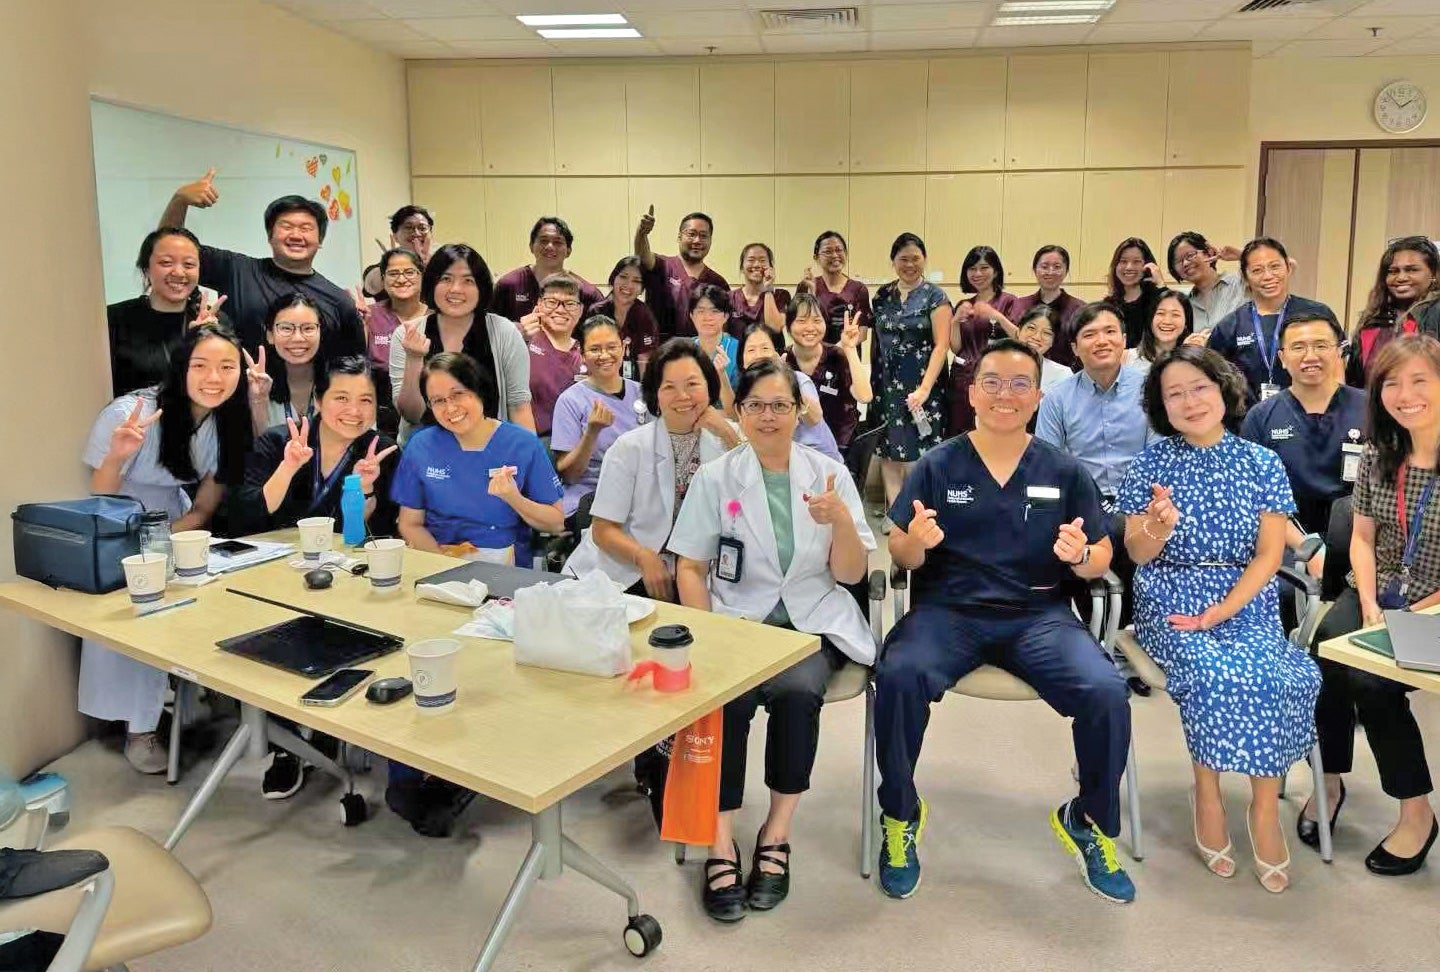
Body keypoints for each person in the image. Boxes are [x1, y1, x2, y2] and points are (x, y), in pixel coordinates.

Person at [874, 338, 1133, 904]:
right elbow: (900, 551)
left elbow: (1100, 560)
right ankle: (899, 815)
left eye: (1020, 384)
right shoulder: (938, 464)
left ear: (1038, 396)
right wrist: (915, 545)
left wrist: (1079, 558)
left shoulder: (1064, 471)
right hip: (949, 612)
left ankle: (1088, 818)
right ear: (972, 393)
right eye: (992, 382)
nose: (1005, 395)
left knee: (1106, 691)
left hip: (1038, 615)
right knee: (897, 677)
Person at [669, 358, 875, 921]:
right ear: (739, 412)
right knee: (725, 700)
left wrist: (838, 522)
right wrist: (708, 635)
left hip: (810, 622)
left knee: (798, 692)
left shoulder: (829, 473)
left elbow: (854, 575)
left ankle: (776, 833)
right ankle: (718, 839)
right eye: (755, 405)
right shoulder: (718, 478)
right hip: (737, 622)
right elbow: (690, 566)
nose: (767, 416)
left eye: (779, 405)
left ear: (798, 411)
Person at [1118, 345, 1320, 894]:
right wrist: (1158, 527)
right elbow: (1137, 554)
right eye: (1174, 393)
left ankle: (1262, 805)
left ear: (1223, 390)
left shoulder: (1261, 462)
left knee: (1277, 675)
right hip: (1171, 595)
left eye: (1200, 387)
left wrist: (1225, 611)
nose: (1190, 401)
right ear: (1161, 406)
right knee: (1211, 673)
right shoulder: (1150, 465)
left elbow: (1269, 556)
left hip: (1245, 596)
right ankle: (1206, 790)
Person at [79, 323, 250, 774]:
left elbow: (205, 506)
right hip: (116, 518)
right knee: (139, 612)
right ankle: (140, 729)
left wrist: (170, 535)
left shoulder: (229, 420)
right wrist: (118, 455)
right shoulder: (133, 412)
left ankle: (200, 697)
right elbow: (101, 493)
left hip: (174, 522)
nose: (214, 377)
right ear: (181, 368)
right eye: (201, 366)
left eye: (227, 367)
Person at [232, 355, 400, 798]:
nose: (354, 410)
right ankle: (286, 745)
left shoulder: (378, 449)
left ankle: (323, 727)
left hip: (347, 579)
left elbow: (368, 532)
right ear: (319, 401)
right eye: (341, 397)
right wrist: (289, 466)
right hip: (275, 576)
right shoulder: (277, 442)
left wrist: (365, 488)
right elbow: (251, 514)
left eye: (366, 400)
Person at [1306, 335, 1440, 877]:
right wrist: (1368, 604)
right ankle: (1329, 779)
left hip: (1433, 606)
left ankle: (1416, 810)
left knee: (1374, 682)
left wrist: (1416, 610)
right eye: (1391, 383)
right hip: (1379, 592)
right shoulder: (1382, 457)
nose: (1404, 395)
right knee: (1324, 653)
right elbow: (1361, 539)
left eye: (1420, 382)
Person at [563, 339, 741, 598]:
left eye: (692, 384)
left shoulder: (730, 438)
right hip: (626, 571)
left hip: (705, 570)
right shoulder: (630, 447)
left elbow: (754, 491)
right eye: (669, 387)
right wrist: (643, 556)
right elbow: (603, 530)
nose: (683, 396)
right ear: (655, 394)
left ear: (709, 386)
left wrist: (726, 431)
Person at [1036, 302, 1154, 634]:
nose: (1101, 341)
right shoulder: (1057, 398)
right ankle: (1098, 637)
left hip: (1139, 502)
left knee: (1130, 531)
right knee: (1073, 534)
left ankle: (1134, 637)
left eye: (1109, 332)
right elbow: (1048, 464)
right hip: (1082, 502)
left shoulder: (1150, 388)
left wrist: (1134, 506)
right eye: (1089, 335)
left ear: (1124, 339)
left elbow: (1158, 457)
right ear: (1074, 348)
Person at [160, 169, 363, 354]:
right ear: (269, 235)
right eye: (286, 226)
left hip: (308, 393)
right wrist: (180, 200)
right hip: (236, 391)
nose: (295, 235)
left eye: (306, 228)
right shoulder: (237, 270)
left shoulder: (339, 301)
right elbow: (167, 251)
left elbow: (354, 366)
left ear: (320, 240)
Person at [393, 352, 562, 567]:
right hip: (438, 559)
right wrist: (443, 565)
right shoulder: (421, 446)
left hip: (505, 566)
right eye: (438, 401)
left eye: (458, 394)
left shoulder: (522, 444)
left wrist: (514, 498)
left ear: (479, 390)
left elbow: (555, 523)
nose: (450, 408)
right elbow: (410, 524)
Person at [1240, 311, 1365, 540]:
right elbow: (1253, 496)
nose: (1310, 356)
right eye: (1298, 347)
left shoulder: (1370, 409)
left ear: (1338, 351)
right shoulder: (1260, 418)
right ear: (1282, 357)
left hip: (1359, 540)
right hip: (1284, 542)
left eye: (1321, 345)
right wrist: (1305, 549)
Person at [390, 243, 534, 439]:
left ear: (481, 287)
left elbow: (519, 407)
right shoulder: (407, 334)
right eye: (446, 279)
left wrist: (530, 461)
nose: (456, 289)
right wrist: (414, 358)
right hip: (426, 455)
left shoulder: (504, 332)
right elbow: (412, 415)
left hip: (490, 451)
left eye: (468, 280)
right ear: (432, 284)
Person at [871, 233, 952, 512]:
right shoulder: (882, 296)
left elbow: (942, 346)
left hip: (923, 386)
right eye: (903, 259)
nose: (909, 264)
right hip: (886, 386)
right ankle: (897, 515)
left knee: (921, 452)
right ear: (893, 262)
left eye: (915, 258)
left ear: (924, 260)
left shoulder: (936, 296)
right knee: (889, 451)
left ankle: (921, 513)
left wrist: (925, 389)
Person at [1206, 237, 1336, 405]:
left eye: (1275, 267)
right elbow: (1212, 378)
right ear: (1245, 277)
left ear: (1289, 268)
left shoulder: (1317, 314)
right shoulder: (1230, 326)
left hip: (1310, 419)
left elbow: (1337, 370)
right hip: (1247, 422)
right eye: (1257, 270)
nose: (1268, 276)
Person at [108, 227, 230, 398]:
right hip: (132, 422)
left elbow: (224, 388)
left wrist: (203, 342)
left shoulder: (216, 322)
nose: (179, 272)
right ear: (146, 268)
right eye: (166, 263)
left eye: (189, 264)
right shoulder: (113, 319)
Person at [550, 316, 644, 520]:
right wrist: (592, 432)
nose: (605, 355)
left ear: (623, 348)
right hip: (590, 498)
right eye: (595, 349)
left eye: (612, 347)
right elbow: (570, 475)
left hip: (640, 495)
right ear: (582, 354)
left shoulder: (644, 394)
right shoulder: (571, 401)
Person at [739, 323, 842, 463]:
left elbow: (815, 417)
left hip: (819, 462)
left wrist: (785, 382)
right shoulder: (747, 389)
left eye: (765, 348)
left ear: (777, 353)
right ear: (742, 360)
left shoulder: (799, 379)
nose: (758, 355)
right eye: (751, 350)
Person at [1346, 236, 1440, 387]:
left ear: (1433, 274)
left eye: (1412, 270)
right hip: (1372, 408)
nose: (1401, 277)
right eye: (1393, 271)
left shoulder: (1436, 312)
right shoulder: (1372, 319)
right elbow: (1355, 381)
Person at [947, 245, 1019, 436]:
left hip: (997, 379)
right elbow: (956, 348)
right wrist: (954, 322)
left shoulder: (1010, 302)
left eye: (984, 268)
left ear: (995, 271)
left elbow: (1021, 338)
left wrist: (997, 316)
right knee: (962, 433)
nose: (978, 273)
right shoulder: (964, 305)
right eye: (972, 269)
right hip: (963, 380)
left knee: (992, 431)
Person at [784, 293, 869, 452]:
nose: (810, 327)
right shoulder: (784, 362)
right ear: (788, 327)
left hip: (840, 447)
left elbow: (865, 396)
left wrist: (850, 350)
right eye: (801, 321)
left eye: (817, 320)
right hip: (797, 449)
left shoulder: (837, 356)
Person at [242, 293, 333, 435]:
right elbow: (258, 446)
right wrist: (259, 401)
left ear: (320, 332)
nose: (298, 338)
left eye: (308, 328)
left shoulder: (338, 383)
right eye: (286, 328)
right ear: (270, 335)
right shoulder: (255, 383)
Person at [634, 207, 729, 340]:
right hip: (661, 353)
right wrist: (641, 233)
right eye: (691, 234)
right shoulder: (662, 265)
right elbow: (642, 255)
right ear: (679, 237)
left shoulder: (718, 282)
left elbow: (723, 329)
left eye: (703, 236)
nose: (697, 240)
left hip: (699, 355)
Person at [491, 216, 603, 322]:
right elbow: (490, 330)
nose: (549, 246)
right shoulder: (508, 285)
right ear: (531, 246)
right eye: (543, 241)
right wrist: (517, 331)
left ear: (568, 251)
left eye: (558, 242)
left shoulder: (587, 293)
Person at [364, 248, 427, 437]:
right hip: (379, 420)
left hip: (427, 416)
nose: (401, 279)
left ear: (422, 276)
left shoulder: (436, 316)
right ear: (383, 280)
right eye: (393, 273)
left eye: (409, 272)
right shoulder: (369, 315)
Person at [523, 274, 587, 439]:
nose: (560, 309)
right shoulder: (522, 341)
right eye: (551, 302)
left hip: (575, 445)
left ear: (580, 310)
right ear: (538, 305)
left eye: (570, 303)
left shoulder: (586, 353)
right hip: (532, 441)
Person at [1009, 245, 1085, 371]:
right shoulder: (1019, 305)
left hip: (1066, 378)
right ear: (1035, 270)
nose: (1050, 272)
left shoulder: (1080, 309)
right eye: (1044, 267)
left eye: (1057, 267)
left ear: (1066, 271)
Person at [585, 255, 659, 378]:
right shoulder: (597, 311)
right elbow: (590, 352)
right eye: (623, 277)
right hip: (601, 378)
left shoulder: (645, 315)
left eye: (636, 281)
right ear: (613, 278)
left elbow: (644, 359)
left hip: (633, 383)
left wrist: (644, 394)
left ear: (641, 289)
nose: (628, 285)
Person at [794, 230, 873, 344]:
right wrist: (811, 292)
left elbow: (862, 332)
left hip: (848, 356)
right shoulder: (806, 287)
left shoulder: (858, 289)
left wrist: (838, 350)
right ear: (816, 257)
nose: (835, 255)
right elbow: (798, 327)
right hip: (814, 356)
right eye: (828, 251)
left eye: (839, 250)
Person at [1166, 231, 1244, 341]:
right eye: (1178, 261)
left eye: (1190, 256)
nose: (1185, 263)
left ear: (1208, 253)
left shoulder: (1240, 283)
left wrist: (1243, 255)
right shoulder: (1185, 304)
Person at [361, 205, 435, 297]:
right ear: (395, 236)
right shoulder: (382, 268)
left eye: (422, 228)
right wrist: (392, 267)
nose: (416, 233)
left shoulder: (442, 264)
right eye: (408, 227)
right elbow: (371, 286)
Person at [1104, 238, 1164, 349]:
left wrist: (1161, 285)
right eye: (1123, 261)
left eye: (1136, 262)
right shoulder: (1108, 305)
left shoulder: (1158, 298)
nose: (1129, 267)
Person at [689, 284, 740, 410]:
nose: (707, 318)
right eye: (700, 311)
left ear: (726, 316)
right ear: (691, 316)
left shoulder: (739, 350)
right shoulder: (683, 350)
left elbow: (739, 412)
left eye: (715, 311)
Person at [728, 242, 789, 339]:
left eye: (762, 260)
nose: (757, 265)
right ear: (742, 267)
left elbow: (775, 327)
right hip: (738, 354)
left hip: (772, 353)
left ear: (770, 266)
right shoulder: (730, 298)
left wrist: (768, 289)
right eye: (751, 260)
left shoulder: (780, 295)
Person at [1126, 289, 1193, 367]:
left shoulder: (1193, 361)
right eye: (1160, 313)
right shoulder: (1126, 358)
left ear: (1186, 323)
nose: (1167, 321)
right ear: (1151, 319)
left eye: (1175, 315)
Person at [1015, 305, 1074, 392]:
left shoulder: (1063, 375)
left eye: (1047, 333)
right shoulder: (994, 364)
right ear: (1019, 331)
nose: (1037, 337)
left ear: (1052, 341)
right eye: (1031, 328)